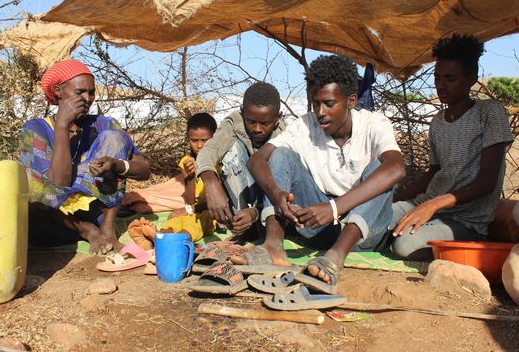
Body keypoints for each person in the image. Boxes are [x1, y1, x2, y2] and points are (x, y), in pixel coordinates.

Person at [240, 55, 406, 288]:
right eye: (315, 103)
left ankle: (335, 258)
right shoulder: (305, 126)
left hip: (363, 232)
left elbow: (397, 168)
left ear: (350, 101)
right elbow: (257, 159)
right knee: (281, 155)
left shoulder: (374, 125)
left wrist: (334, 207)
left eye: (329, 103)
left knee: (382, 169)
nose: (320, 112)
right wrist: (276, 193)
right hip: (318, 228)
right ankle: (273, 246)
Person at [391, 34, 514, 260]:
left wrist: (434, 205)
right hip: (426, 205)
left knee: (404, 245)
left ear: (471, 79)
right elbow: (433, 173)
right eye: (437, 78)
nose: (441, 85)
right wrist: (395, 199)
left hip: (464, 220)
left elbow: (487, 182)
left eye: (450, 78)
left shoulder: (489, 112)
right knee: (373, 219)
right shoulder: (438, 121)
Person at [19, 59, 151, 254]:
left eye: (92, 92)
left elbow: (144, 170)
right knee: (27, 181)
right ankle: (88, 231)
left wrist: (116, 165)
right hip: (57, 221)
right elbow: (56, 183)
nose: (87, 99)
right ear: (58, 91)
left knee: (114, 137)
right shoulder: (35, 129)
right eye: (79, 92)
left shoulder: (103, 124)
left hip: (96, 213)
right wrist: (62, 127)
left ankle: (107, 230)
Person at [195, 82, 285, 238]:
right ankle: (239, 221)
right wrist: (210, 182)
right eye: (251, 121)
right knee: (232, 149)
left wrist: (256, 212)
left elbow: (284, 185)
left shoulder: (284, 134)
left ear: (277, 118)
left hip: (269, 203)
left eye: (264, 123)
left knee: (281, 158)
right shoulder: (233, 123)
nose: (257, 129)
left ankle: (259, 223)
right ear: (243, 113)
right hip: (241, 196)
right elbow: (209, 150)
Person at [128, 112, 218, 249]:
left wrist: (189, 209)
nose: (199, 146)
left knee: (192, 227)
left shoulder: (218, 163)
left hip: (210, 214)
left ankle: (164, 243)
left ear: (214, 138)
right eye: (194, 141)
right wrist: (190, 177)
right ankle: (159, 237)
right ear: (188, 139)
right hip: (191, 209)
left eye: (205, 141)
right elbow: (189, 200)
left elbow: (217, 201)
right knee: (174, 222)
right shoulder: (186, 162)